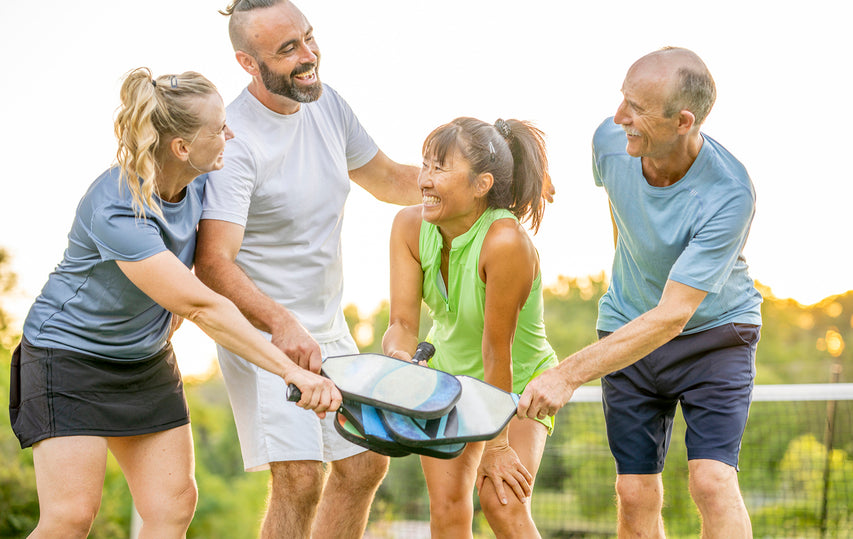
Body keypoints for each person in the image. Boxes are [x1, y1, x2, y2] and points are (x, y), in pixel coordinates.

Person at [7, 67, 341, 539]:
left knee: (173, 506)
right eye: (218, 127)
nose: (230, 133)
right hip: (68, 358)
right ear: (182, 147)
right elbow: (203, 306)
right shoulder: (117, 206)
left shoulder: (204, 180)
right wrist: (292, 370)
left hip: (144, 360)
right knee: (70, 516)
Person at [193, 1, 421, 537]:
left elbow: (388, 179)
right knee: (298, 480)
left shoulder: (328, 106)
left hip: (327, 324)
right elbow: (212, 262)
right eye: (288, 49)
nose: (308, 56)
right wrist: (280, 323)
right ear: (248, 63)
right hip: (264, 333)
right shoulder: (236, 140)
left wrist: (480, 181)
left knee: (366, 462)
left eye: (309, 38)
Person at [517, 47, 763, 538]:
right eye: (621, 99)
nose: (618, 117)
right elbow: (622, 211)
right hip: (627, 325)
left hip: (713, 335)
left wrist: (566, 375)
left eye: (637, 108)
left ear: (683, 121)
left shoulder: (730, 193)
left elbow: (674, 315)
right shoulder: (610, 142)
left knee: (712, 482)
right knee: (634, 493)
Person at [381, 117, 558, 538]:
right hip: (449, 380)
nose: (425, 179)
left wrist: (495, 446)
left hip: (517, 384)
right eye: (425, 165)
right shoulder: (408, 227)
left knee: (502, 501)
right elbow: (403, 323)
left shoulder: (505, 242)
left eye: (440, 168)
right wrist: (399, 359)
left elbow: (497, 350)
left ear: (482, 184)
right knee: (447, 509)